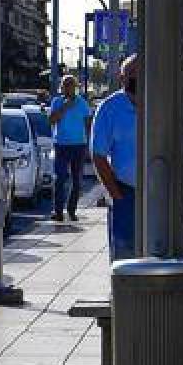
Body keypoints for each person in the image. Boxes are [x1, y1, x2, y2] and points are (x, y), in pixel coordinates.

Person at [91, 55, 139, 261]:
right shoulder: (110, 108)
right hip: (125, 192)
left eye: (140, 74)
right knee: (124, 258)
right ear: (122, 78)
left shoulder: (162, 104)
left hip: (159, 193)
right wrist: (116, 195)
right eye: (130, 74)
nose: (135, 79)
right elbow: (98, 155)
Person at [48, 74, 93, 223]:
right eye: (65, 84)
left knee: (76, 180)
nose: (67, 87)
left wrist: (88, 145)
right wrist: (64, 107)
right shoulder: (57, 102)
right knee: (60, 178)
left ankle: (72, 210)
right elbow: (52, 120)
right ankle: (58, 211)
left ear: (75, 87)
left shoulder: (82, 103)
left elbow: (88, 124)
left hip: (78, 146)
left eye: (70, 84)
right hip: (61, 145)